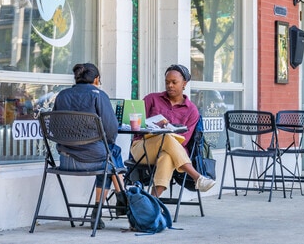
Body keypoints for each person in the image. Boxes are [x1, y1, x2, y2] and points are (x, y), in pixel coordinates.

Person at [53, 63, 126, 229]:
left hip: (66, 160)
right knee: (111, 153)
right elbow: (111, 128)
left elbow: (54, 129)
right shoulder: (98, 95)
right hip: (94, 161)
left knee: (109, 156)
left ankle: (100, 211)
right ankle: (122, 196)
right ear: (96, 79)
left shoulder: (62, 96)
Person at [131, 64, 215, 197]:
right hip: (143, 148)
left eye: (174, 82)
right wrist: (153, 127)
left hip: (172, 151)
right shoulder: (151, 99)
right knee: (167, 138)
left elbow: (184, 141)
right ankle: (197, 177)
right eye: (167, 82)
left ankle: (151, 202)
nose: (170, 85)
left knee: (167, 156)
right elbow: (135, 127)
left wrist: (168, 131)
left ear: (184, 84)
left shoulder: (191, 110)